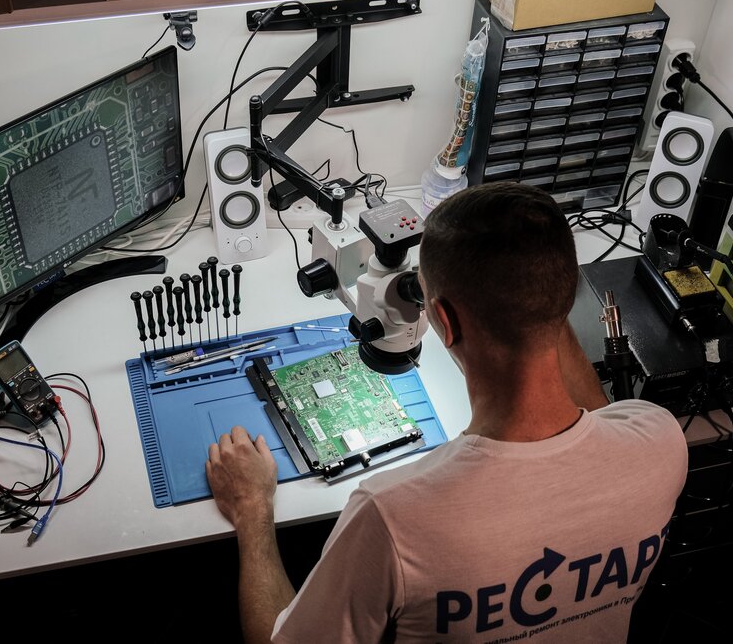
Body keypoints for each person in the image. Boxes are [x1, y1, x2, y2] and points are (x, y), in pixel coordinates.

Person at [206, 182, 688, 643]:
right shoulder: (659, 441)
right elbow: (600, 418)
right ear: (565, 292)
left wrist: (252, 509)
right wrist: (533, 297)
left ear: (442, 320)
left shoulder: (391, 515)